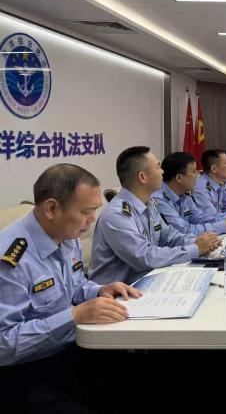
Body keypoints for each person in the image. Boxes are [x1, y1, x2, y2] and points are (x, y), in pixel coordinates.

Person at [0, 164, 141, 412]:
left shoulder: (66, 235)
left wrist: (99, 290)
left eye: (95, 210)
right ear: (52, 208)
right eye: (86, 212)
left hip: (70, 350)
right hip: (26, 372)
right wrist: (74, 316)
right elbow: (4, 344)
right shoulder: (11, 258)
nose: (92, 220)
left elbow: (75, 285)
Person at [90, 146, 222, 284]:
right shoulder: (117, 215)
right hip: (118, 292)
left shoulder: (149, 203)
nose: (163, 171)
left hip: (146, 281)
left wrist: (200, 241)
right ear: (142, 177)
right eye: (158, 167)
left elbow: (170, 237)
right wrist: (195, 248)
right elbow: (145, 257)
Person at [152, 152, 226, 235]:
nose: (198, 176)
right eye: (194, 172)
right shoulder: (159, 200)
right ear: (179, 178)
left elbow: (200, 218)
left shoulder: (184, 194)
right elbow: (184, 230)